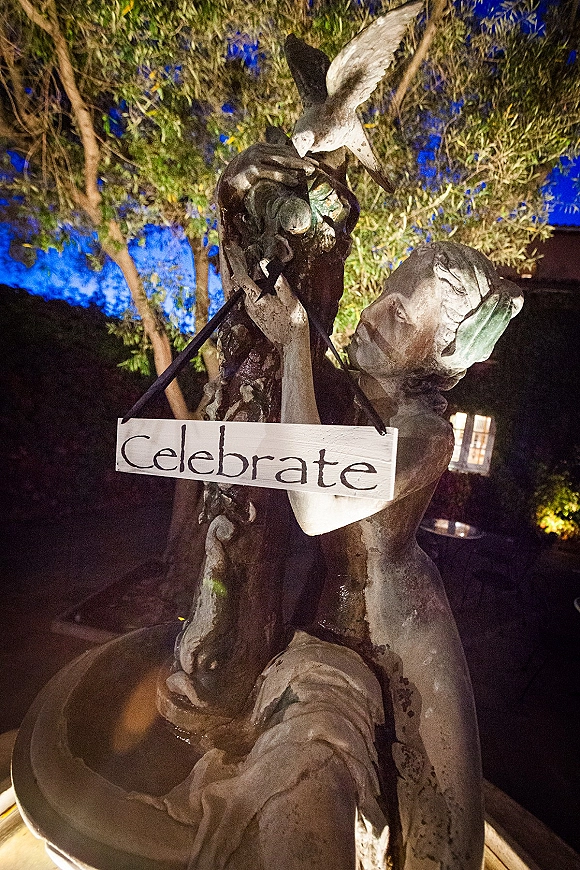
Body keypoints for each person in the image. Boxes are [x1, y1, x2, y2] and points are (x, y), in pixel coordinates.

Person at [231, 152, 523, 869]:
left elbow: (314, 502)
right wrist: (240, 203)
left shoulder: (425, 435)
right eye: (383, 299)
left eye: (398, 321)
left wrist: (297, 341)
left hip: (406, 636)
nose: (370, 318)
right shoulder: (352, 387)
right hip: (331, 606)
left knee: (441, 841)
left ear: (440, 352)